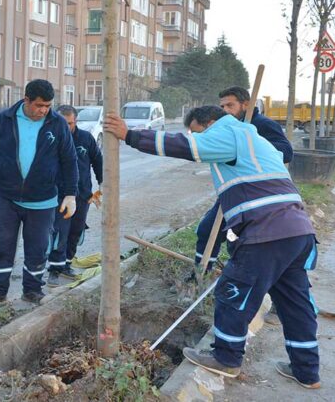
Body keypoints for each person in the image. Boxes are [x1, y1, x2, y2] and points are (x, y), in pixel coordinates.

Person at [104, 106, 320, 389]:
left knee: (233, 291)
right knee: (294, 301)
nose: (196, 137)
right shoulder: (252, 137)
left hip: (266, 231)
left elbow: (187, 147)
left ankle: (226, 357)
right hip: (297, 231)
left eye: (196, 131)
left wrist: (130, 135)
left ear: (208, 124)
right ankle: (307, 371)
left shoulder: (227, 133)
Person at [0, 80, 78, 305]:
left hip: (43, 199)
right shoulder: (5, 119)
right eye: (39, 105)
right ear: (26, 100)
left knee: (37, 248)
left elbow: (69, 160)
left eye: (47, 106)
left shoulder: (56, 124)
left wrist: (70, 194)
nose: (44, 110)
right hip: (5, 196)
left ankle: (33, 291)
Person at [195, 86, 294, 271]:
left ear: (245, 104)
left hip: (259, 193)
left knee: (246, 241)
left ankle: (242, 273)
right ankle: (203, 272)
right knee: (208, 230)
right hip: (235, 191)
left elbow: (287, 152)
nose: (225, 110)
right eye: (222, 106)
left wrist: (255, 149)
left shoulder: (262, 124)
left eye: (230, 105)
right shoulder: (229, 128)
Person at [47, 105, 103, 286]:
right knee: (59, 231)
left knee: (76, 231)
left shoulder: (86, 139)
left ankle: (67, 264)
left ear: (76, 121)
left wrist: (103, 183)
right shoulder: (51, 139)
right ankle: (55, 269)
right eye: (63, 123)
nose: (66, 127)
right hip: (59, 195)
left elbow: (98, 161)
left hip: (83, 194)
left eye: (70, 123)